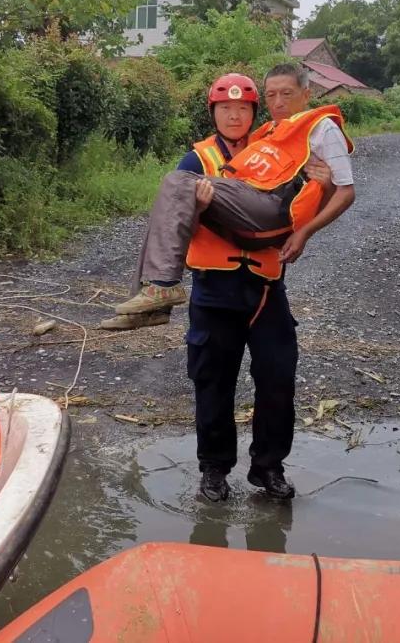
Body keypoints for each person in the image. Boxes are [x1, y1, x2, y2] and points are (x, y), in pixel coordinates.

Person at [112, 67, 355, 502]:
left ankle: (268, 469)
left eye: (242, 108)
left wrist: (313, 186)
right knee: (213, 383)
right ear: (214, 112)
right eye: (226, 108)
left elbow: (305, 202)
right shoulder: (196, 159)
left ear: (253, 112)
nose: (234, 116)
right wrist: (202, 208)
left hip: (264, 288)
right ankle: (214, 470)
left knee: (278, 379)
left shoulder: (275, 145)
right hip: (214, 288)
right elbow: (172, 223)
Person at [112, 64, 356, 320]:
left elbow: (345, 191)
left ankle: (163, 287)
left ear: (306, 94)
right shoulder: (269, 134)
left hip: (268, 232)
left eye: (287, 94)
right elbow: (174, 223)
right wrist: (200, 208)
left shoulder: (321, 128)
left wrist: (305, 231)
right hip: (219, 267)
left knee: (178, 183)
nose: (278, 102)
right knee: (172, 192)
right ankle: (152, 302)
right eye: (271, 95)